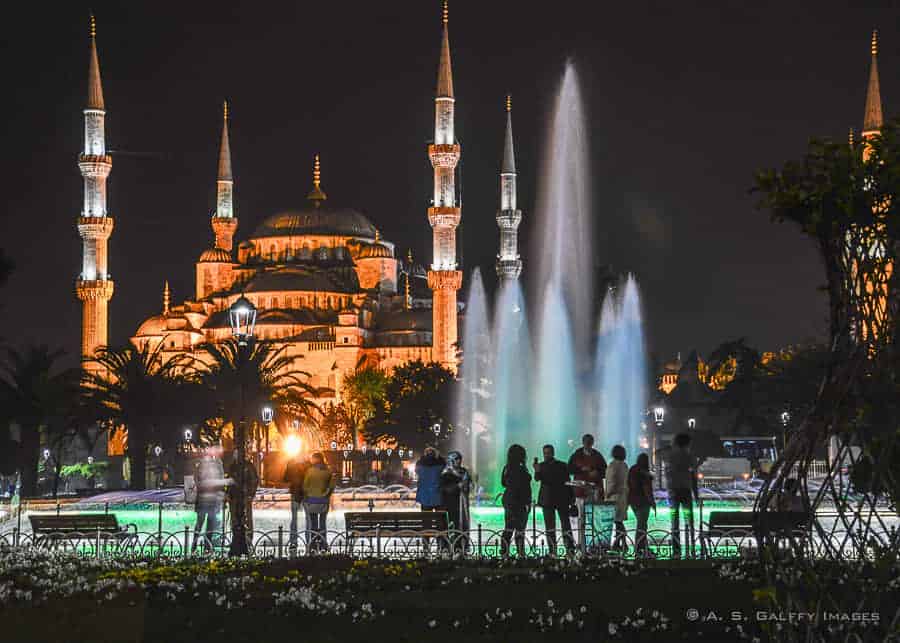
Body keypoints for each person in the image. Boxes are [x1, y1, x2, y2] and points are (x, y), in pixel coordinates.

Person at [534, 444, 575, 556]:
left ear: (552, 453)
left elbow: (567, 482)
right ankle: (558, 550)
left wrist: (572, 498)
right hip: (553, 499)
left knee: (562, 525)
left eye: (548, 453)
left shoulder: (560, 465)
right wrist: (537, 470)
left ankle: (566, 549)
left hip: (555, 499)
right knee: (553, 527)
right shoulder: (559, 465)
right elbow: (537, 478)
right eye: (545, 453)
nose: (546, 455)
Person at [568, 434, 608, 546]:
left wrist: (597, 473)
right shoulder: (576, 455)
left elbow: (605, 471)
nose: (588, 444)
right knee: (581, 518)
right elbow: (570, 468)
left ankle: (594, 543)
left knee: (594, 519)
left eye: (590, 442)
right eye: (586, 442)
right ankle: (581, 542)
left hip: (594, 491)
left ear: (592, 443)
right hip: (580, 491)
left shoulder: (597, 456)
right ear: (583, 442)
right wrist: (581, 470)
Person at [665, 433, 698, 559]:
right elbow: (693, 477)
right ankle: (691, 547)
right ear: (687, 443)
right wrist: (696, 495)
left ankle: (676, 551)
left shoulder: (670, 456)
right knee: (689, 520)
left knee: (674, 522)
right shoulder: (689, 456)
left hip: (673, 493)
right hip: (685, 492)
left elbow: (668, 475)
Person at [191, 446, 226, 552]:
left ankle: (197, 545)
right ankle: (205, 546)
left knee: (202, 523)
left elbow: (196, 479)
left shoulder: (203, 464)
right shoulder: (215, 465)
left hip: (204, 499)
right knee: (206, 524)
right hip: (209, 499)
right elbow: (221, 480)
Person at [500, 444, 532, 557]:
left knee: (508, 528)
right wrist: (528, 502)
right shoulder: (521, 469)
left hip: (509, 500)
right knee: (519, 529)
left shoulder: (507, 468)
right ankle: (520, 553)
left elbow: (503, 483)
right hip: (519, 502)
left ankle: (504, 553)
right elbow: (524, 488)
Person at [302, 452, 336, 552]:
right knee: (322, 523)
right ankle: (323, 543)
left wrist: (307, 496)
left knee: (313, 523)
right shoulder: (328, 471)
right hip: (323, 502)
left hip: (311, 501)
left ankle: (313, 544)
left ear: (315, 459)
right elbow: (332, 486)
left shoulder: (310, 471)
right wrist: (326, 495)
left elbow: (305, 486)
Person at [440, 451, 471, 551]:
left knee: (463, 525)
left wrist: (467, 486)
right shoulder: (446, 473)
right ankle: (451, 547)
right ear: (451, 460)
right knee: (453, 525)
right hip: (451, 504)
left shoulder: (464, 471)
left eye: (459, 459)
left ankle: (463, 546)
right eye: (456, 459)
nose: (459, 461)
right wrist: (458, 486)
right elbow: (444, 489)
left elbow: (468, 486)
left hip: (463, 503)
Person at [227, 450, 260, 539]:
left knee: (246, 519)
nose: (234, 455)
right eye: (234, 453)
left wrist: (250, 495)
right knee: (234, 519)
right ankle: (236, 538)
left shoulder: (248, 466)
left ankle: (248, 539)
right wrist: (228, 495)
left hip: (244, 497)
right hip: (234, 498)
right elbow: (230, 482)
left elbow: (254, 480)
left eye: (236, 453)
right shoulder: (233, 466)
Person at [628, 453, 656, 557]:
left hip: (633, 501)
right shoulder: (644, 473)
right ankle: (639, 549)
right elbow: (647, 489)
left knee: (641, 525)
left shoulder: (632, 469)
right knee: (642, 526)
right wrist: (652, 502)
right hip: (643, 502)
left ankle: (643, 548)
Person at [282, 452, 308, 549]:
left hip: (295, 493)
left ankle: (293, 541)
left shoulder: (291, 463)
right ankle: (309, 540)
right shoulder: (308, 464)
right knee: (308, 518)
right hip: (306, 494)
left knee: (294, 519)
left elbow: (285, 478)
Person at [606, 445, 629, 551]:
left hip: (614, 497)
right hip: (623, 496)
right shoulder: (625, 465)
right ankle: (618, 543)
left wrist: (608, 494)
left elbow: (612, 481)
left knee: (617, 521)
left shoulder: (613, 465)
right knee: (619, 521)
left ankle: (622, 543)